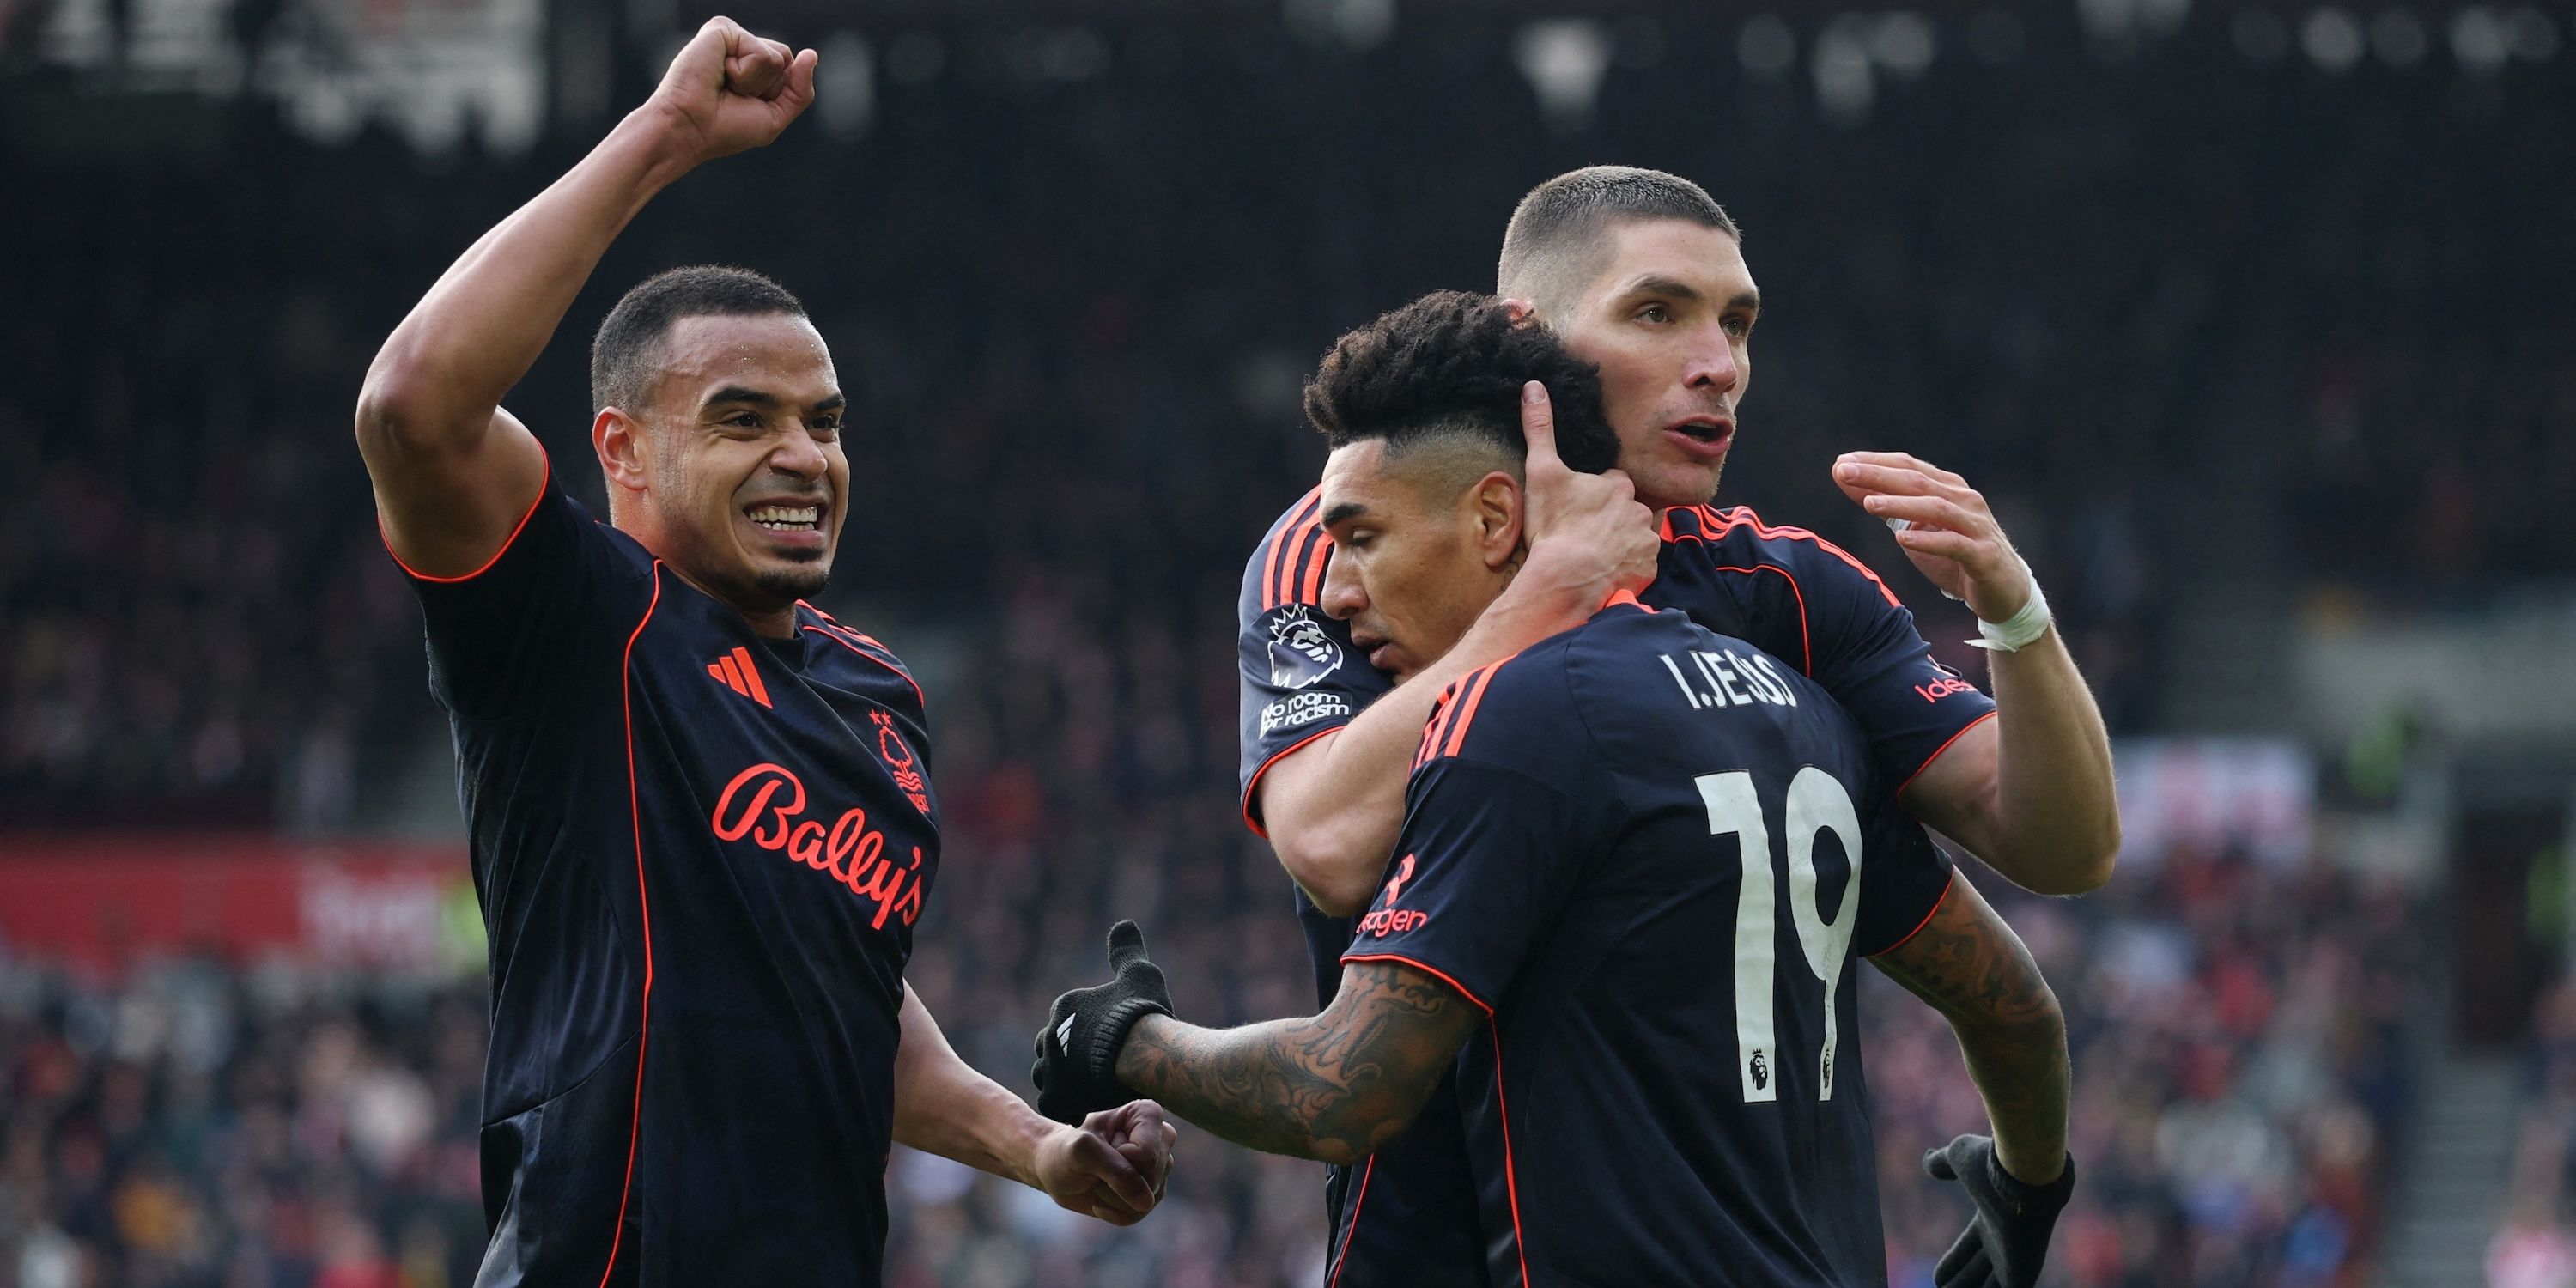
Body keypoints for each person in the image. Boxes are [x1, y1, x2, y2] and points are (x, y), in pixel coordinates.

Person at [351, 19, 1170, 1285]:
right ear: (621, 451)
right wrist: (664, 139)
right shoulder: (576, 622)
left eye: (824, 421)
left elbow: (851, 995)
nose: (805, 455)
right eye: (744, 419)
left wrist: (1042, 1149)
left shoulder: (879, 696)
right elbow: (412, 404)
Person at [1036, 295, 2075, 1286]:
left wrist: (1126, 1043)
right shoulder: (1805, 711)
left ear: (1496, 519)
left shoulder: (1513, 721)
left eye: (1360, 539)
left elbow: (1342, 1090)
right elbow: (2017, 1008)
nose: (1338, 589)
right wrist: (2030, 1185)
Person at [1233, 168, 2118, 1274]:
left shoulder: (1785, 590)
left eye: (1738, 323)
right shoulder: (1364, 541)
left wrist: (2014, 609)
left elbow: (2062, 846)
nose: (1722, 364)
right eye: (1659, 312)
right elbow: (1322, 842)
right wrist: (1546, 595)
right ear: (1530, 336)